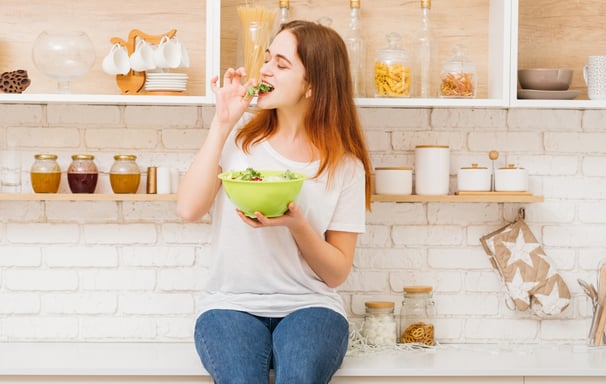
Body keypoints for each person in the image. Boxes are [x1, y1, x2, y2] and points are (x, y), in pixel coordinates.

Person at [177, 19, 372, 384]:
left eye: (282, 65)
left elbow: (336, 272)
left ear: (312, 84)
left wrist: (297, 224)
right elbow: (188, 209)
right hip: (230, 305)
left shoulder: (345, 166)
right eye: (267, 59)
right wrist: (221, 125)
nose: (265, 69)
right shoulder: (239, 137)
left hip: (311, 307)